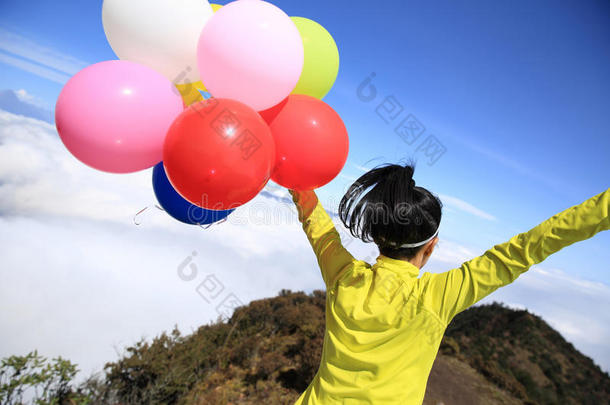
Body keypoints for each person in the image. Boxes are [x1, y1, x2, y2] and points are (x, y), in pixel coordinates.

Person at [289, 162, 609, 405]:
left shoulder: (344, 275)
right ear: (430, 247)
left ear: (378, 235)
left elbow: (315, 222)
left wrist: (292, 172)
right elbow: (529, 247)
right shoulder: (436, 297)